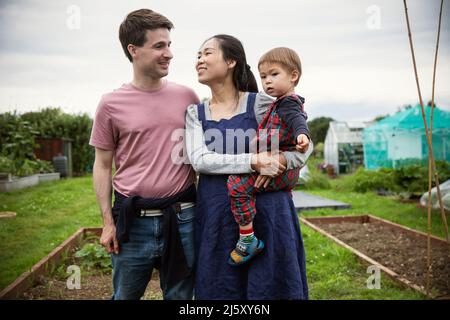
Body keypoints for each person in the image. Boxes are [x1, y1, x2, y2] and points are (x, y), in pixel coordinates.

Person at [185, 34, 313, 299]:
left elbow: (304, 147)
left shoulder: (262, 103)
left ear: (231, 61)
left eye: (207, 53)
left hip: (267, 212)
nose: (200, 60)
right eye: (198, 55)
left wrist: (281, 161)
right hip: (216, 213)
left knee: (269, 287)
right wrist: (254, 162)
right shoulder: (194, 113)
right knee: (221, 287)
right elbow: (200, 160)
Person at [90, 9, 200, 300]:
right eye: (159, 46)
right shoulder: (111, 104)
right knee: (125, 296)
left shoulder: (188, 97)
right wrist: (107, 223)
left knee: (182, 299)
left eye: (169, 45)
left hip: (183, 219)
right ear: (133, 50)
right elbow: (102, 166)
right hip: (131, 222)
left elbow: (205, 154)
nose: (169, 54)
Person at [226, 47, 311, 266]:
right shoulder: (276, 103)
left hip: (282, 166)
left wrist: (302, 135)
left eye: (274, 74)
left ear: (293, 76)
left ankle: (247, 239)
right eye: (263, 76)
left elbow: (297, 121)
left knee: (237, 184)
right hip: (278, 166)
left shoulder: (288, 103)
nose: (267, 81)